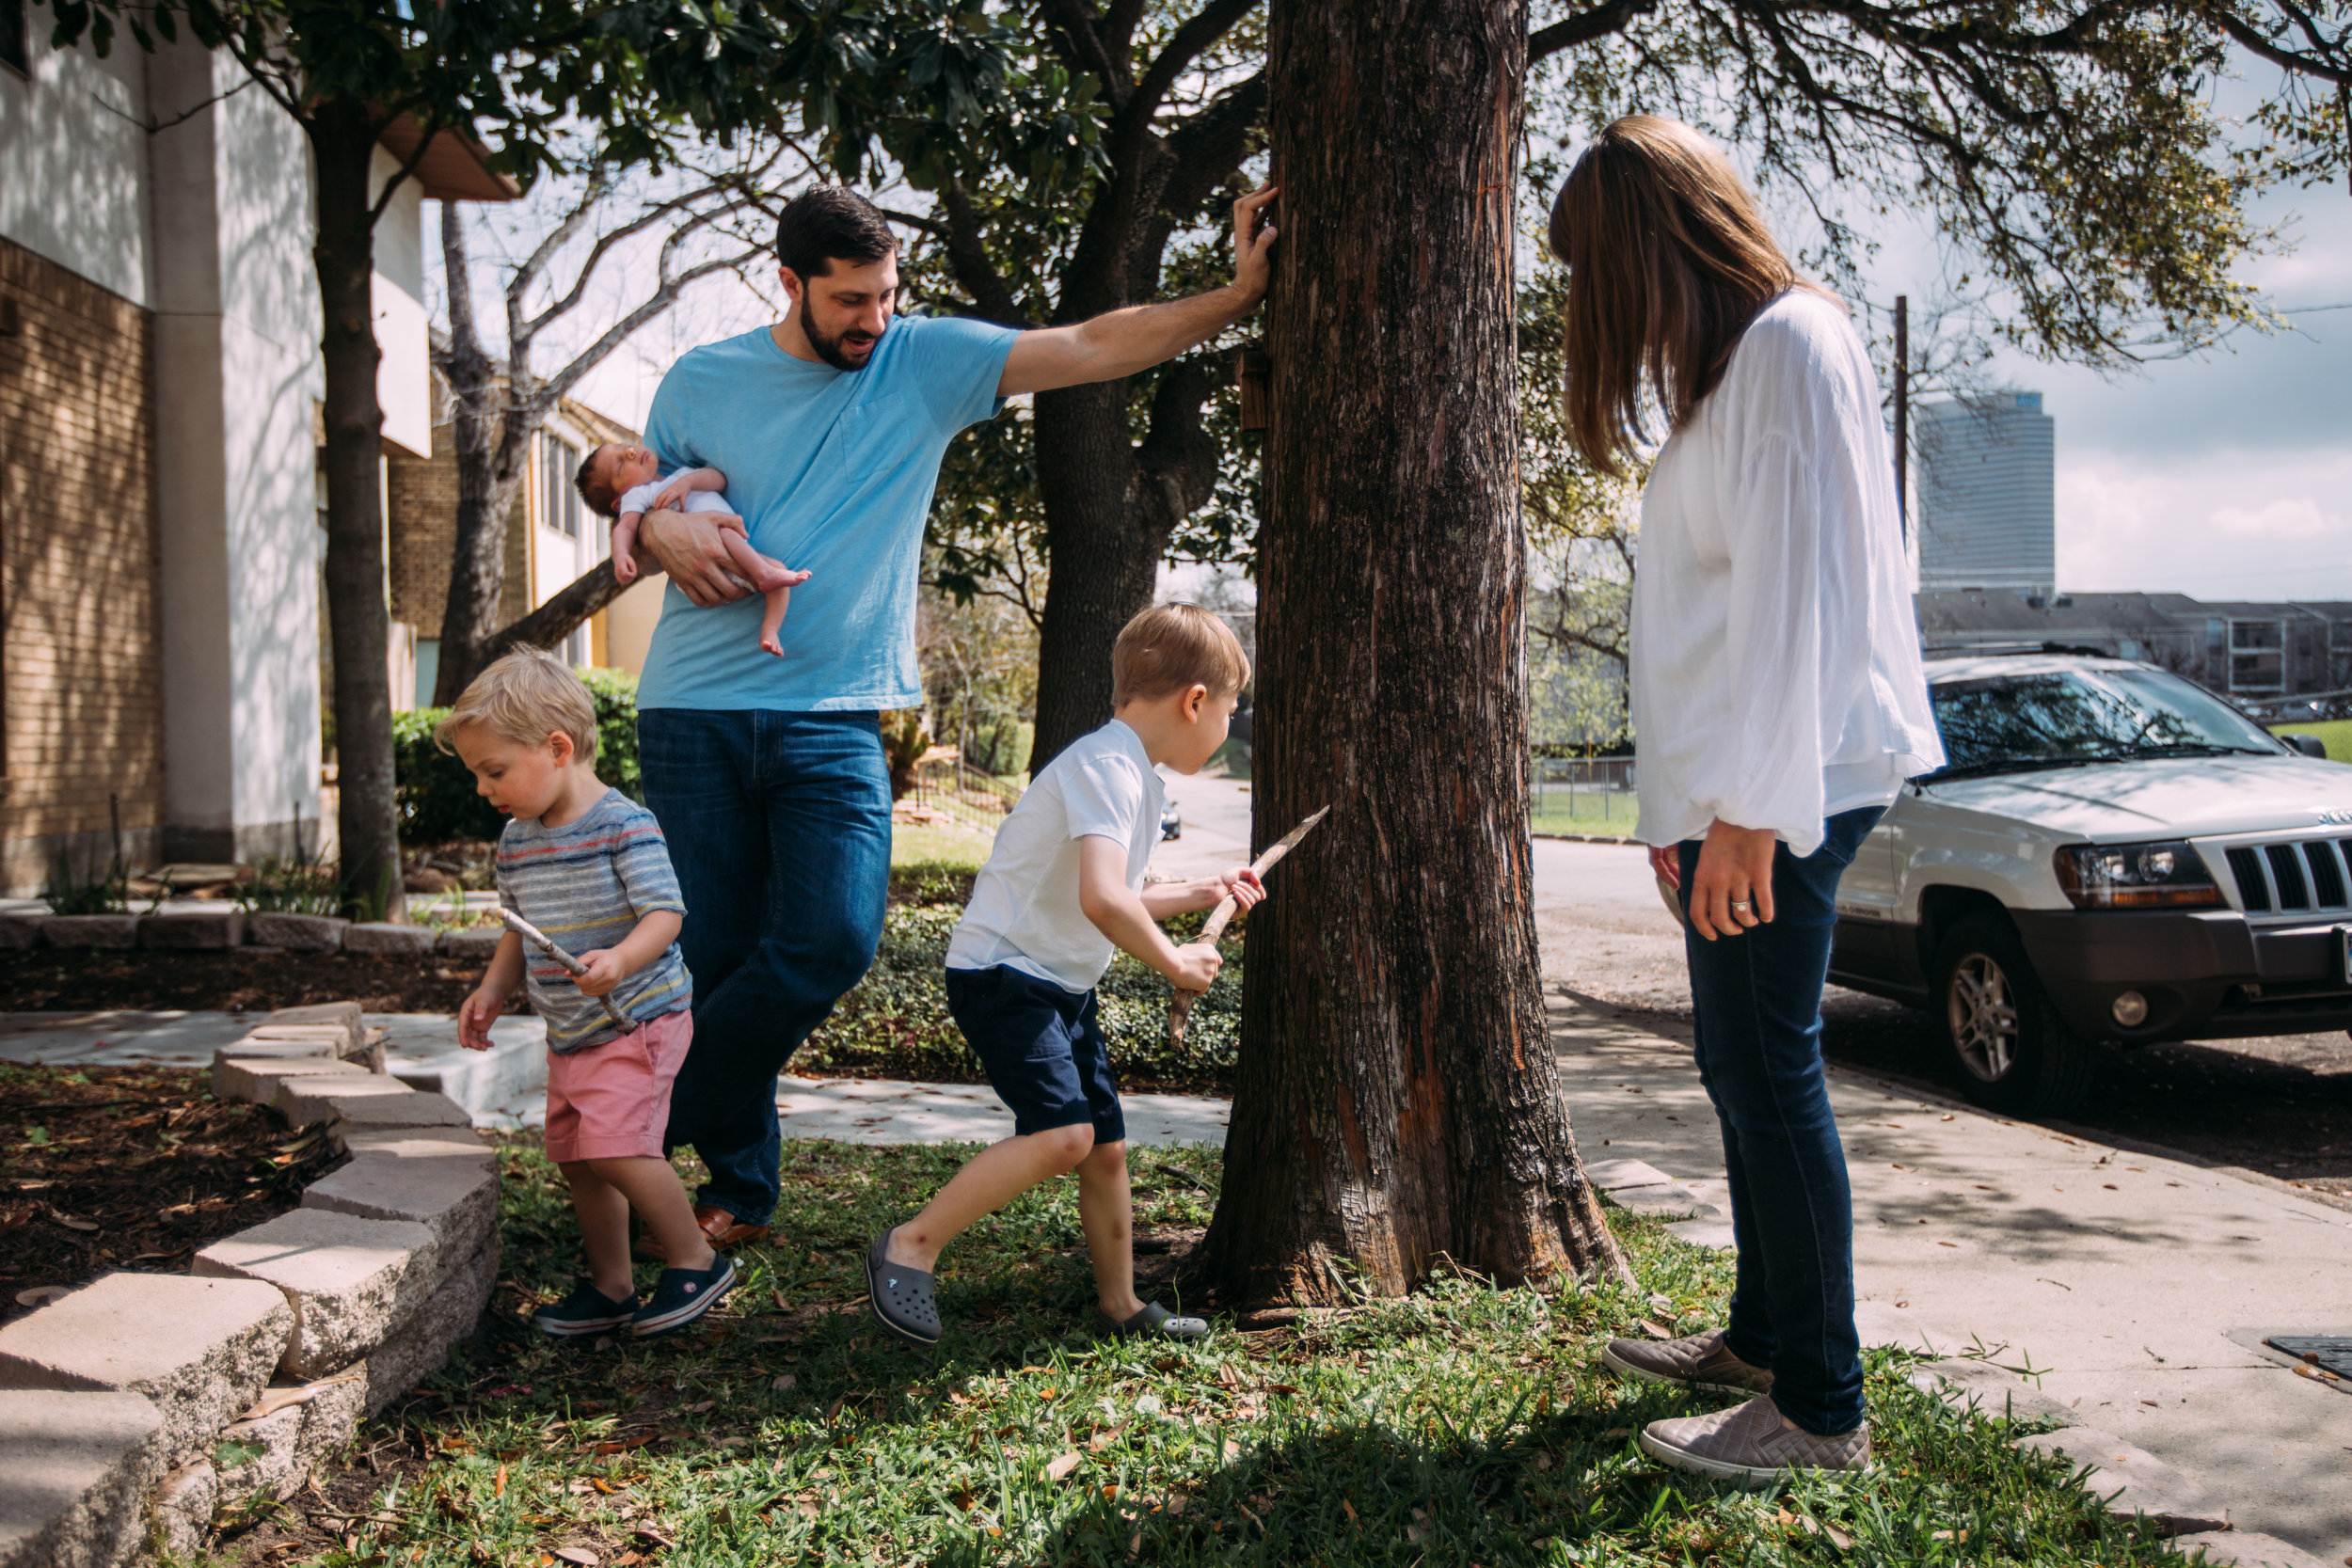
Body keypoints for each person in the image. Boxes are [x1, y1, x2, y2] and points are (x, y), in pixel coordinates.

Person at [627, 182, 1279, 1256]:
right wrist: (657, 531)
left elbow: (1094, 343)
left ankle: (642, 1132)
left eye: (883, 296)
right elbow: (648, 499)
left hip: (836, 714)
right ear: (787, 283)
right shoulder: (702, 379)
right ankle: (737, 1183)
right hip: (692, 705)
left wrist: (1236, 295)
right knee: (720, 954)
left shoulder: (920, 361)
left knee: (831, 939)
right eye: (847, 301)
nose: (870, 321)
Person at [1549, 118, 1945, 1483]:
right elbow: (1715, 621)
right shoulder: (1738, 371)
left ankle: (1819, 1410)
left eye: (1592, 271)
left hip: (1792, 788)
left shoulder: (1792, 344)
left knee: (1769, 1074)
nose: (1587, 309)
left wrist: (1749, 814)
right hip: (1747, 789)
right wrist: (1691, 805)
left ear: (1652, 247)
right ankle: (1765, 1336)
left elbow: (1799, 603)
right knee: (1739, 1068)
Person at [865, 605, 1262, 1345]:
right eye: (1232, 709)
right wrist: (1176, 961)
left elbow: (1121, 891)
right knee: (1065, 1136)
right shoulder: (1109, 767)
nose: (1229, 726)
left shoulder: (1130, 772)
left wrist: (1204, 891)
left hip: (1058, 985)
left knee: (1104, 1146)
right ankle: (910, 1243)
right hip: (1004, 975)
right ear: (1195, 700)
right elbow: (1103, 899)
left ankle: (1121, 1305)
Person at [443, 649, 736, 1338]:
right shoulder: (515, 842)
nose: (486, 790)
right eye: (478, 775)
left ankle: (698, 1258)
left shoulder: (623, 824)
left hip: (637, 1016)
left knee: (618, 1145)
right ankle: (612, 1286)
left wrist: (621, 959)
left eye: (495, 771)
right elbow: (519, 931)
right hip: (571, 1032)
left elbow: (666, 913)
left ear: (557, 747)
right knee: (580, 1158)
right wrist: (491, 989)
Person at [574, 444, 812, 657]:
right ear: (619, 500)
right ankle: (763, 574)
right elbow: (625, 528)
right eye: (620, 465)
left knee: (779, 572)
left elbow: (718, 480)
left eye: (623, 447)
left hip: (735, 552)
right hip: (710, 559)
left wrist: (688, 482)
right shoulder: (640, 496)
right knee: (727, 533)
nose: (630, 452)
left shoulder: (680, 476)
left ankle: (770, 631)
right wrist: (621, 555)